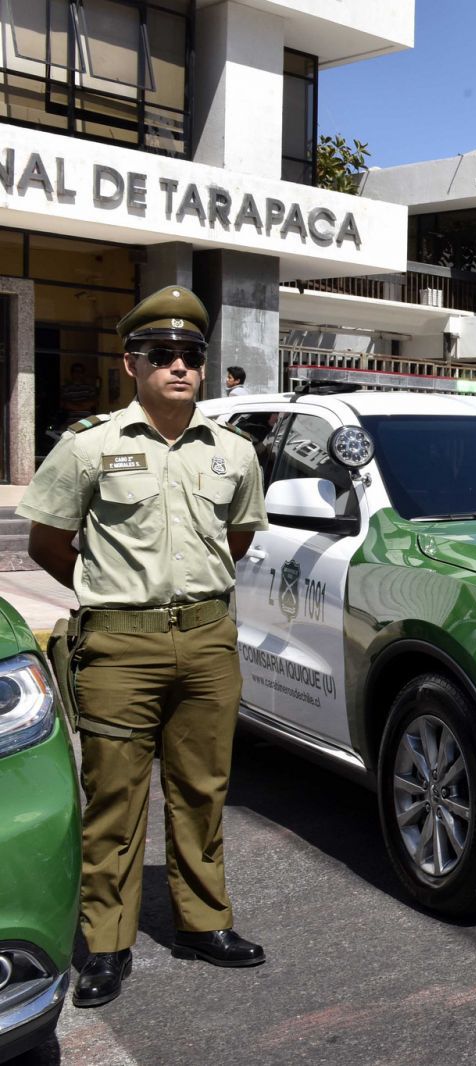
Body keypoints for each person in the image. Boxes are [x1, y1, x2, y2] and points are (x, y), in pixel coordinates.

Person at [18, 285, 269, 1008]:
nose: (180, 367)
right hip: (119, 648)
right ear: (132, 365)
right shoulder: (89, 446)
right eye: (162, 355)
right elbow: (46, 542)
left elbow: (239, 538)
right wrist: (108, 590)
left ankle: (203, 922)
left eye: (191, 355)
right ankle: (106, 944)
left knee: (202, 791)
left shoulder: (234, 453)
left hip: (206, 642)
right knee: (115, 799)